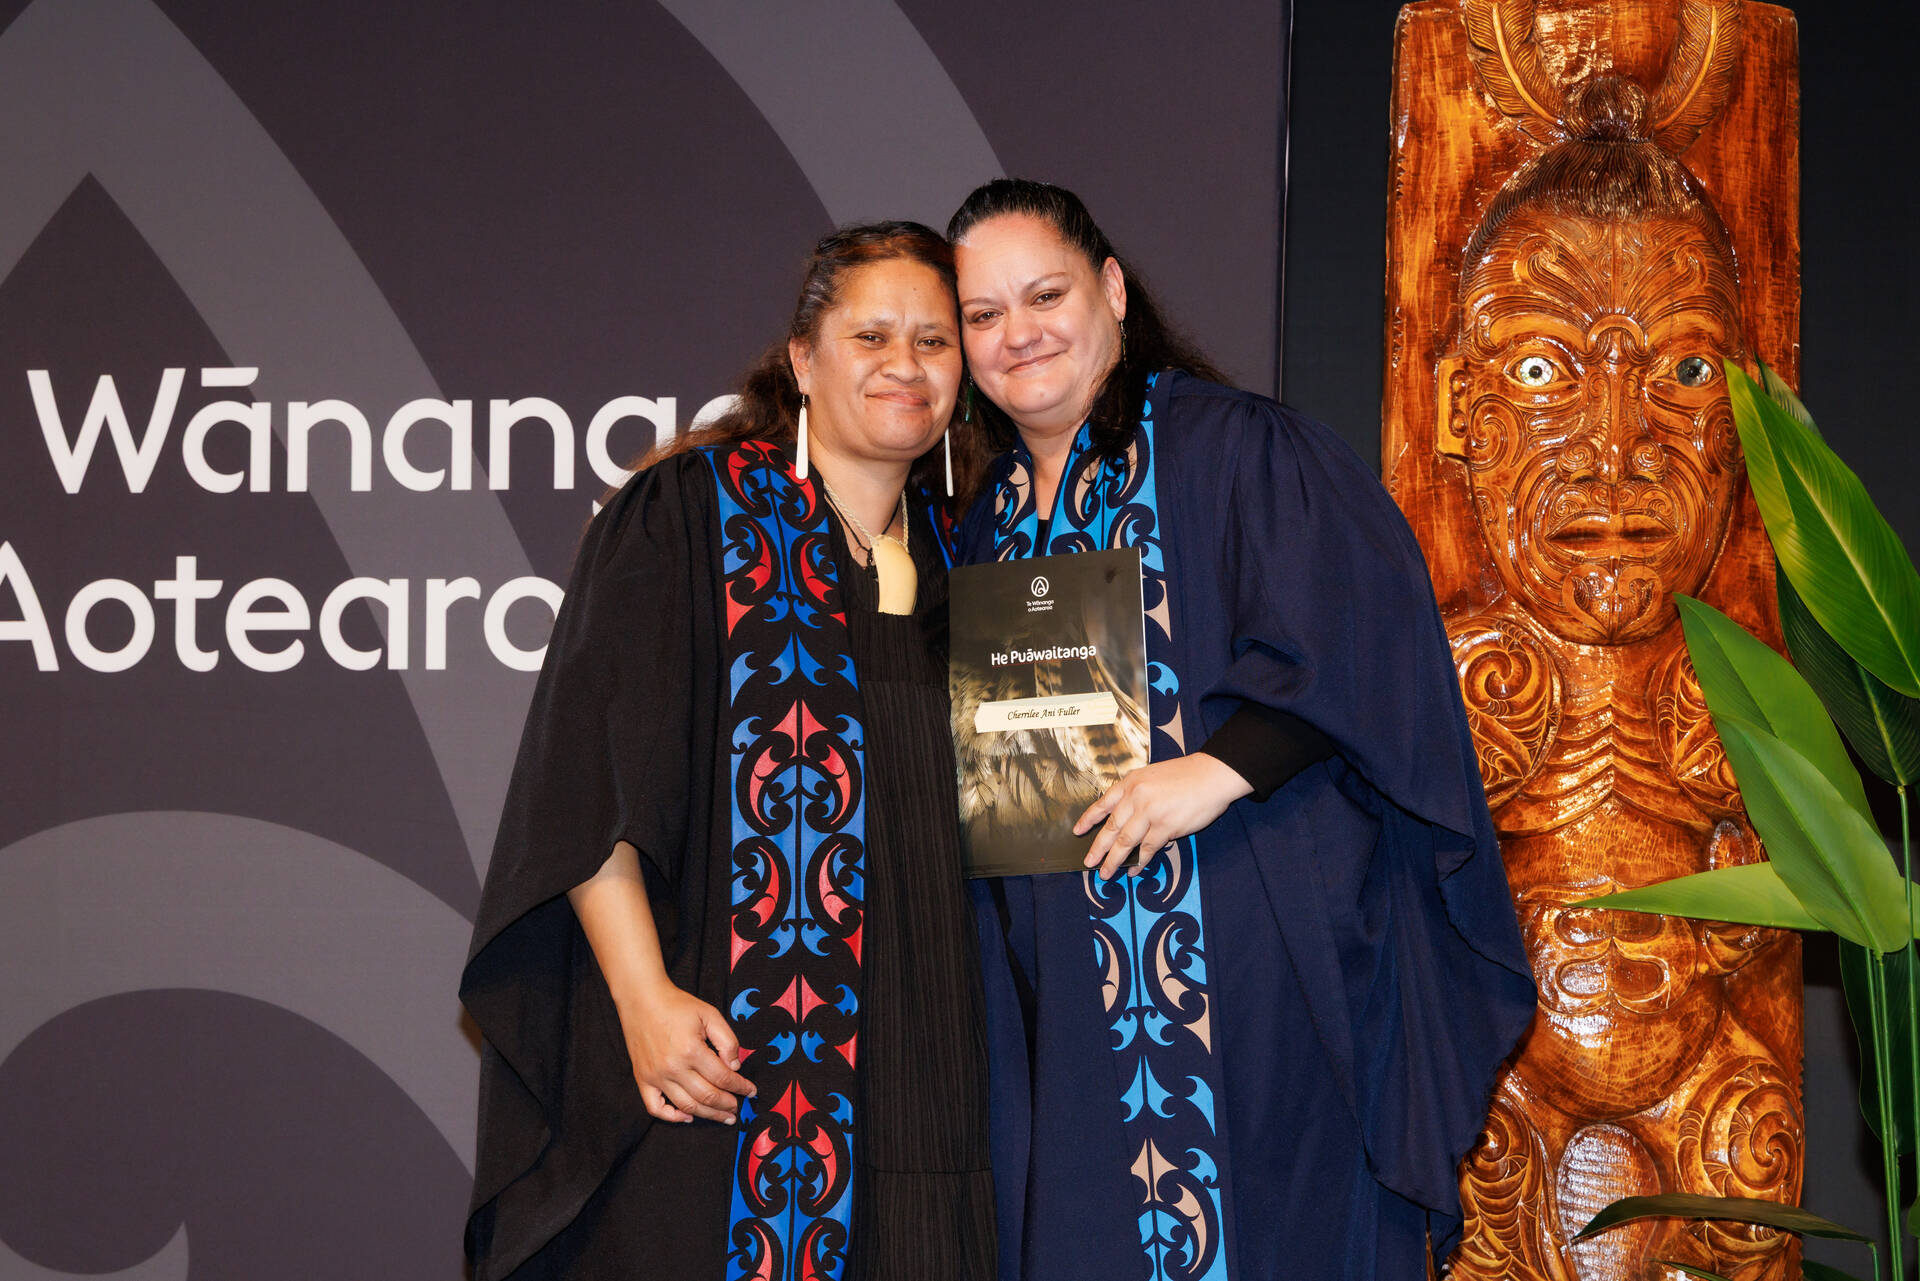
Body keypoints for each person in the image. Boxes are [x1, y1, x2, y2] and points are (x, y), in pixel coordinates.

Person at [945, 179, 1537, 1280]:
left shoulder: (1236, 449)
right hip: (1063, 987)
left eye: (1045, 295)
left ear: (1112, 290)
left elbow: (1362, 633)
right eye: (984, 314)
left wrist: (1216, 769)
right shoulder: (987, 526)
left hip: (1250, 948)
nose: (1018, 333)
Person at [460, 222, 995, 1281]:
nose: (905, 364)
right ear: (804, 360)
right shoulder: (694, 514)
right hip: (734, 1067)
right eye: (872, 335)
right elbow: (587, 778)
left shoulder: (971, 558)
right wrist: (643, 999)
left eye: (934, 341)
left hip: (934, 1076)